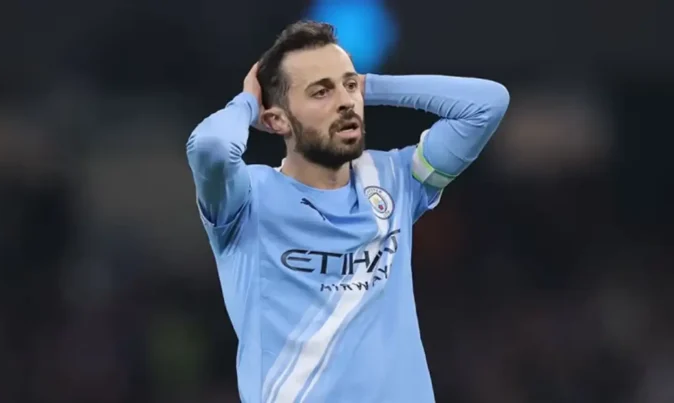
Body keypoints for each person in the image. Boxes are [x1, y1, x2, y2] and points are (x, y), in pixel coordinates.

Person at [186, 20, 509, 403]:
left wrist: (368, 85)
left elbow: (487, 105)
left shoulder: (397, 179)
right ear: (276, 120)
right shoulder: (247, 198)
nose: (345, 101)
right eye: (320, 92)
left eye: (349, 86)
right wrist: (246, 103)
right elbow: (211, 148)